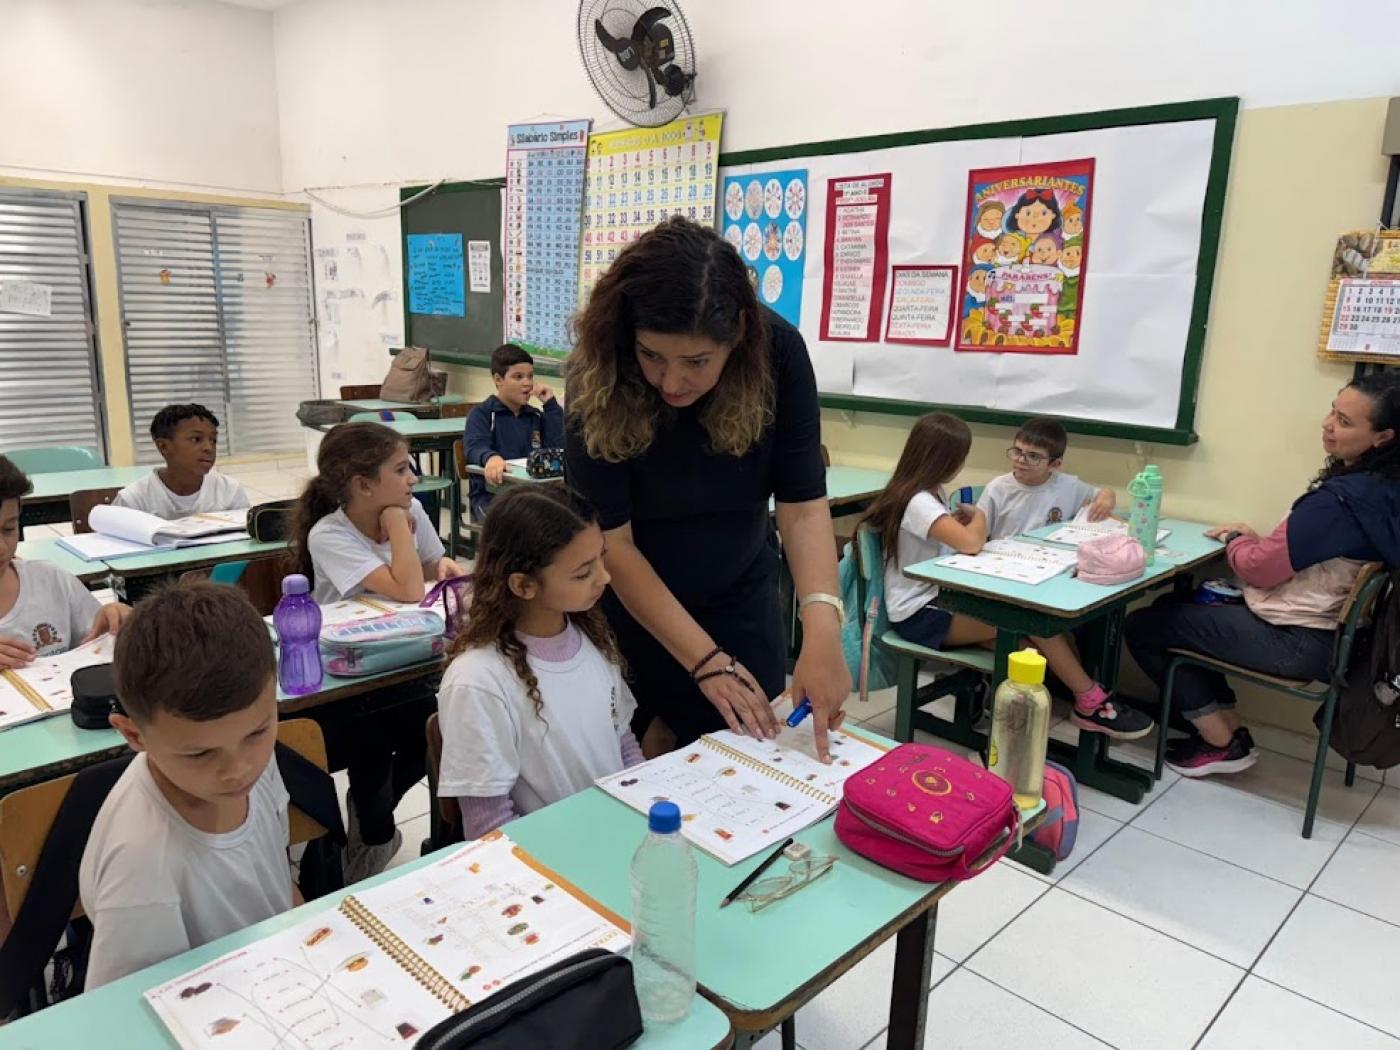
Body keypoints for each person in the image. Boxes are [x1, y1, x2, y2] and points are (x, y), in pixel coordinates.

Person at [565, 217, 851, 760]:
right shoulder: (600, 368)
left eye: (696, 362)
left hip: (741, 597)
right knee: (643, 768)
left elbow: (802, 506)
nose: (672, 382)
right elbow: (612, 542)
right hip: (632, 605)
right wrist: (705, 661)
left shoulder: (779, 352)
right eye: (652, 356)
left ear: (737, 335)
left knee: (751, 762)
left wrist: (822, 629)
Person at [1126, 373, 1400, 776]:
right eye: (1332, 411)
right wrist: (1261, 544)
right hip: (1344, 641)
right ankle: (1227, 726)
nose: (1327, 424)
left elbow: (1258, 569)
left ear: (1383, 437)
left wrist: (1236, 540)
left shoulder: (1341, 501)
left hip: (1299, 641)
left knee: (1145, 625)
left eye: (1344, 422)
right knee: (1177, 606)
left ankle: (1220, 742)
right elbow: (1305, 552)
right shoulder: (1384, 489)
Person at [862, 413, 1151, 738]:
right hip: (920, 613)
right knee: (1032, 621)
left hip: (940, 597)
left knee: (1031, 652)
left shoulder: (931, 491)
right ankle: (1092, 702)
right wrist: (979, 516)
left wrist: (963, 523)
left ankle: (1000, 708)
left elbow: (953, 539)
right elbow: (971, 543)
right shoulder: (918, 501)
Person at [79, 582, 295, 988]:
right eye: (200, 754)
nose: (238, 769)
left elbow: (279, 886)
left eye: (258, 732)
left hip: (276, 974)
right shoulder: (141, 865)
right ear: (134, 735)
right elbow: (128, 1004)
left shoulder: (253, 762)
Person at [290, 421, 467, 879]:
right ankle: (372, 833)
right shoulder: (329, 534)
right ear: (363, 485)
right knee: (371, 741)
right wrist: (395, 525)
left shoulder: (412, 509)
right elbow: (407, 589)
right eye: (401, 469)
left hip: (401, 659)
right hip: (344, 679)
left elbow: (428, 568)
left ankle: (373, 818)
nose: (413, 479)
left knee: (434, 727)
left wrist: (442, 564)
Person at [436, 486, 644, 839]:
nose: (605, 577)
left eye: (601, 558)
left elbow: (622, 743)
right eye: (583, 573)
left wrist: (648, 805)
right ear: (523, 585)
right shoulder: (478, 680)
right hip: (548, 855)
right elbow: (488, 826)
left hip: (615, 834)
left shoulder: (592, 637)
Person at [0, 456, 129, 668]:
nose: (3, 548)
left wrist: (112, 620)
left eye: (8, 529)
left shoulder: (51, 581)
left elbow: (96, 640)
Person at [463, 344, 564, 522]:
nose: (527, 383)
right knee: (521, 525)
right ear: (498, 380)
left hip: (533, 496)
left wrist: (550, 405)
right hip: (492, 498)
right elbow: (474, 446)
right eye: (518, 377)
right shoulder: (482, 414)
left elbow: (557, 447)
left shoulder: (535, 415)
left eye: (530, 376)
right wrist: (490, 458)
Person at [977, 417, 1114, 540]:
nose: (1021, 460)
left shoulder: (1069, 486)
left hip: (1048, 555)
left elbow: (1102, 494)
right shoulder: (997, 488)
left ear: (1054, 464)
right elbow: (977, 535)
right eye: (1017, 451)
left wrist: (1108, 495)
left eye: (1033, 456)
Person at [113, 403, 250, 519]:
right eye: (196, 439)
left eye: (213, 440)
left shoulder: (229, 491)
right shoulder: (133, 500)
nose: (208, 448)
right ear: (164, 446)